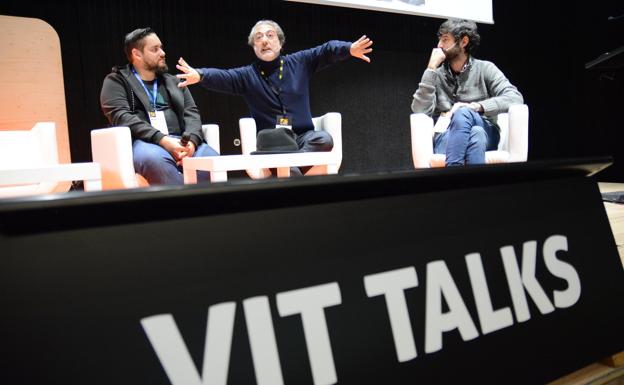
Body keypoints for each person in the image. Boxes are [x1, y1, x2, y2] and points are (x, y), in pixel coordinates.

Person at [175, 19, 373, 174]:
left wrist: (349, 49)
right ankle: (288, 167)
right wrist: (200, 75)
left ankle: (289, 162)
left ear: (280, 42)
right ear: (254, 46)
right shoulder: (247, 75)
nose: (264, 40)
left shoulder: (299, 62)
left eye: (270, 35)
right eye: (258, 38)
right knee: (285, 165)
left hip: (303, 137)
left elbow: (326, 49)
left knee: (323, 138)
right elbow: (223, 76)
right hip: (273, 142)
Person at [100, 27, 219, 185]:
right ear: (137, 54)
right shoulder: (117, 81)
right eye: (155, 49)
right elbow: (121, 117)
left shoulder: (174, 81)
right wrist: (162, 140)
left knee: (212, 161)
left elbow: (192, 113)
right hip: (145, 143)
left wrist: (192, 142)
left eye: (161, 47)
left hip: (183, 141)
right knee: (157, 162)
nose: (162, 53)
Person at [411, 19, 523, 166]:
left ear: (463, 42)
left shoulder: (485, 68)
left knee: (463, 113)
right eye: (439, 40)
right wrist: (430, 69)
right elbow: (419, 110)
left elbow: (515, 97)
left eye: (445, 40)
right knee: (476, 135)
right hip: (447, 135)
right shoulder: (436, 75)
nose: (439, 45)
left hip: (486, 129)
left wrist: (476, 107)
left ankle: (452, 179)